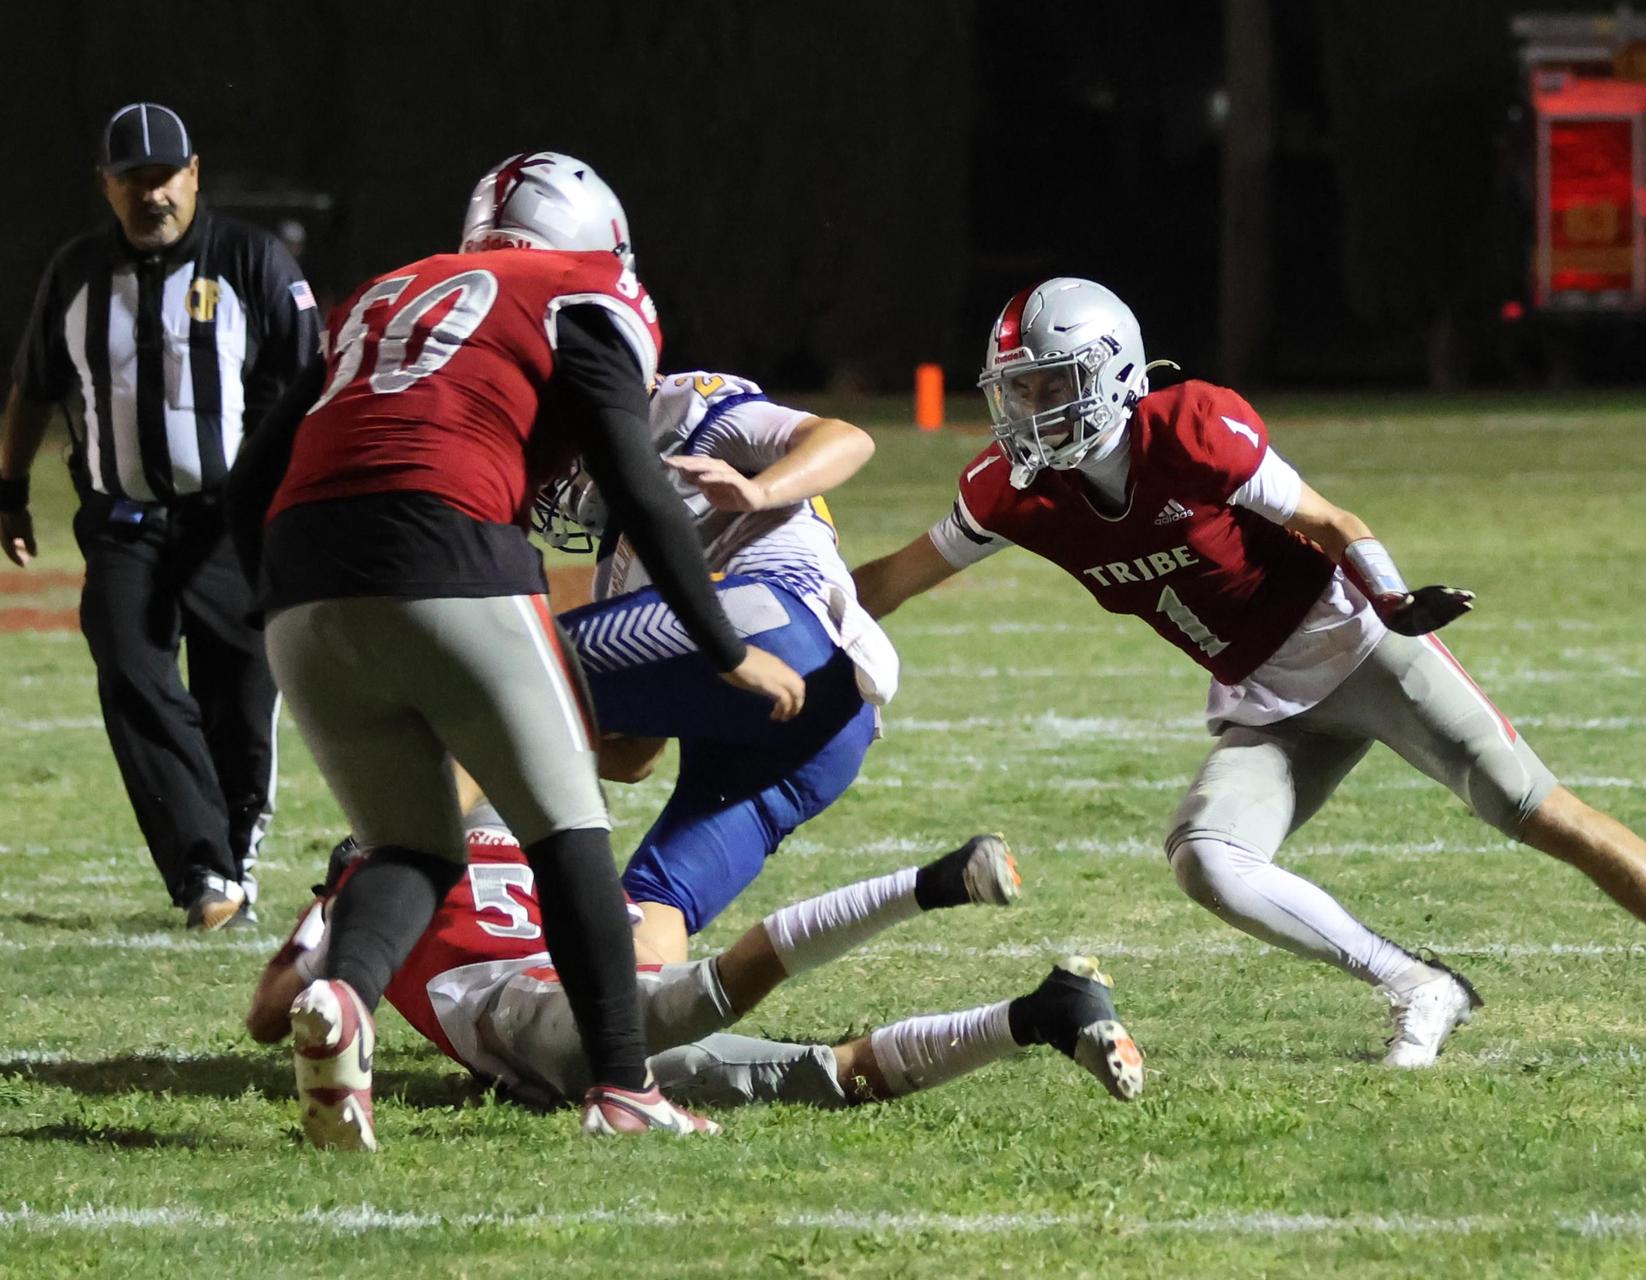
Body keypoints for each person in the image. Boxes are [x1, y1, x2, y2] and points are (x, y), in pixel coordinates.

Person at [851, 276, 1646, 1067]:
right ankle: (1417, 983)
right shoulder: (1014, 494)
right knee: (1208, 859)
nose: (1024, 410)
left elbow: (1329, 523)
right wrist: (791, 618)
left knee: (1533, 805)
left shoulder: (1189, 429)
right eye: (1014, 389)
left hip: (1354, 640)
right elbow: (891, 580)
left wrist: (1392, 597)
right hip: (1267, 699)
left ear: (1109, 375)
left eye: (1045, 384)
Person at [223, 151, 807, 1150]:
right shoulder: (588, 288)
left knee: (408, 844)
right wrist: (723, 647)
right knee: (567, 818)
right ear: (597, 238)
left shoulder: (387, 290)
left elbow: (249, 481)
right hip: (448, 544)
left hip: (299, 578)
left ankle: (346, 1003)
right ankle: (624, 1087)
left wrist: (276, 601)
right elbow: (633, 473)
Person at [244, 809, 1142, 1118]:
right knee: (828, 1079)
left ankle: (936, 882)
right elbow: (641, 947)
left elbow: (269, 1015)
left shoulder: (368, 881)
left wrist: (321, 917)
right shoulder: (528, 849)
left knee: (709, 992)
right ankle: (1043, 1014)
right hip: (580, 1015)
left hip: (528, 1017)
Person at [0, 103, 319, 930]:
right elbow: (34, 388)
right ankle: (205, 871)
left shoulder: (252, 260)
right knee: (134, 676)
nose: (153, 195)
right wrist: (8, 491)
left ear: (195, 174)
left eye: (166, 176)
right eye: (134, 180)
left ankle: (233, 851)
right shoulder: (73, 275)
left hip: (232, 522)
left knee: (240, 699)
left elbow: (313, 378)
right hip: (124, 524)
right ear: (107, 188)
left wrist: (302, 498)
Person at [537, 368, 898, 964]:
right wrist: (523, 745)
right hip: (832, 730)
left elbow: (847, 438)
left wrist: (759, 490)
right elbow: (634, 758)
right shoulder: (617, 564)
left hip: (780, 623)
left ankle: (380, 870)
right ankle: (633, 1051)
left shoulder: (691, 417)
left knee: (506, 675)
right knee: (656, 900)